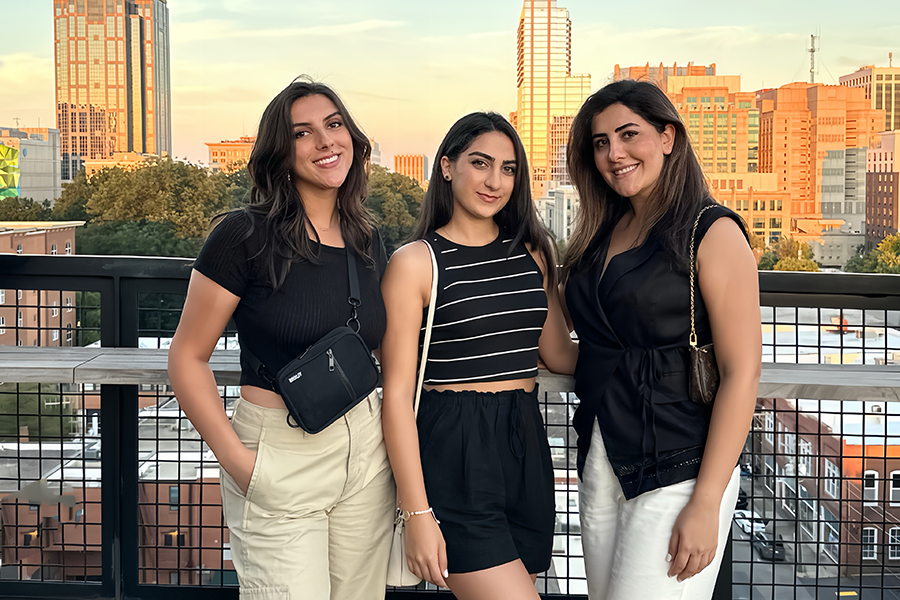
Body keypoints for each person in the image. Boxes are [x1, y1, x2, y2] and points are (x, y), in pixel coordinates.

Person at [167, 79, 394, 600]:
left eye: (334, 125)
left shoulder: (366, 238)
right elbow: (187, 356)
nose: (326, 142)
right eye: (303, 133)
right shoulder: (245, 236)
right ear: (280, 151)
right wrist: (241, 464)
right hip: (279, 447)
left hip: (364, 449)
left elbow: (385, 343)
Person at [561, 79, 761, 600]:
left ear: (668, 137)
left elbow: (742, 375)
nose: (614, 154)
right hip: (603, 457)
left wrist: (707, 500)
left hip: (680, 467)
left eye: (629, 134)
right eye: (600, 143)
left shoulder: (712, 231)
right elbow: (572, 353)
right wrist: (535, 267)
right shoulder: (601, 234)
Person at [380, 112, 578, 600]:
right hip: (454, 450)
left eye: (509, 169)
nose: (495, 181)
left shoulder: (533, 252)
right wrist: (418, 513)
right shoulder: (415, 263)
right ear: (447, 167)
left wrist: (650, 353)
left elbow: (557, 354)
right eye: (481, 163)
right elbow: (397, 398)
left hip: (525, 445)